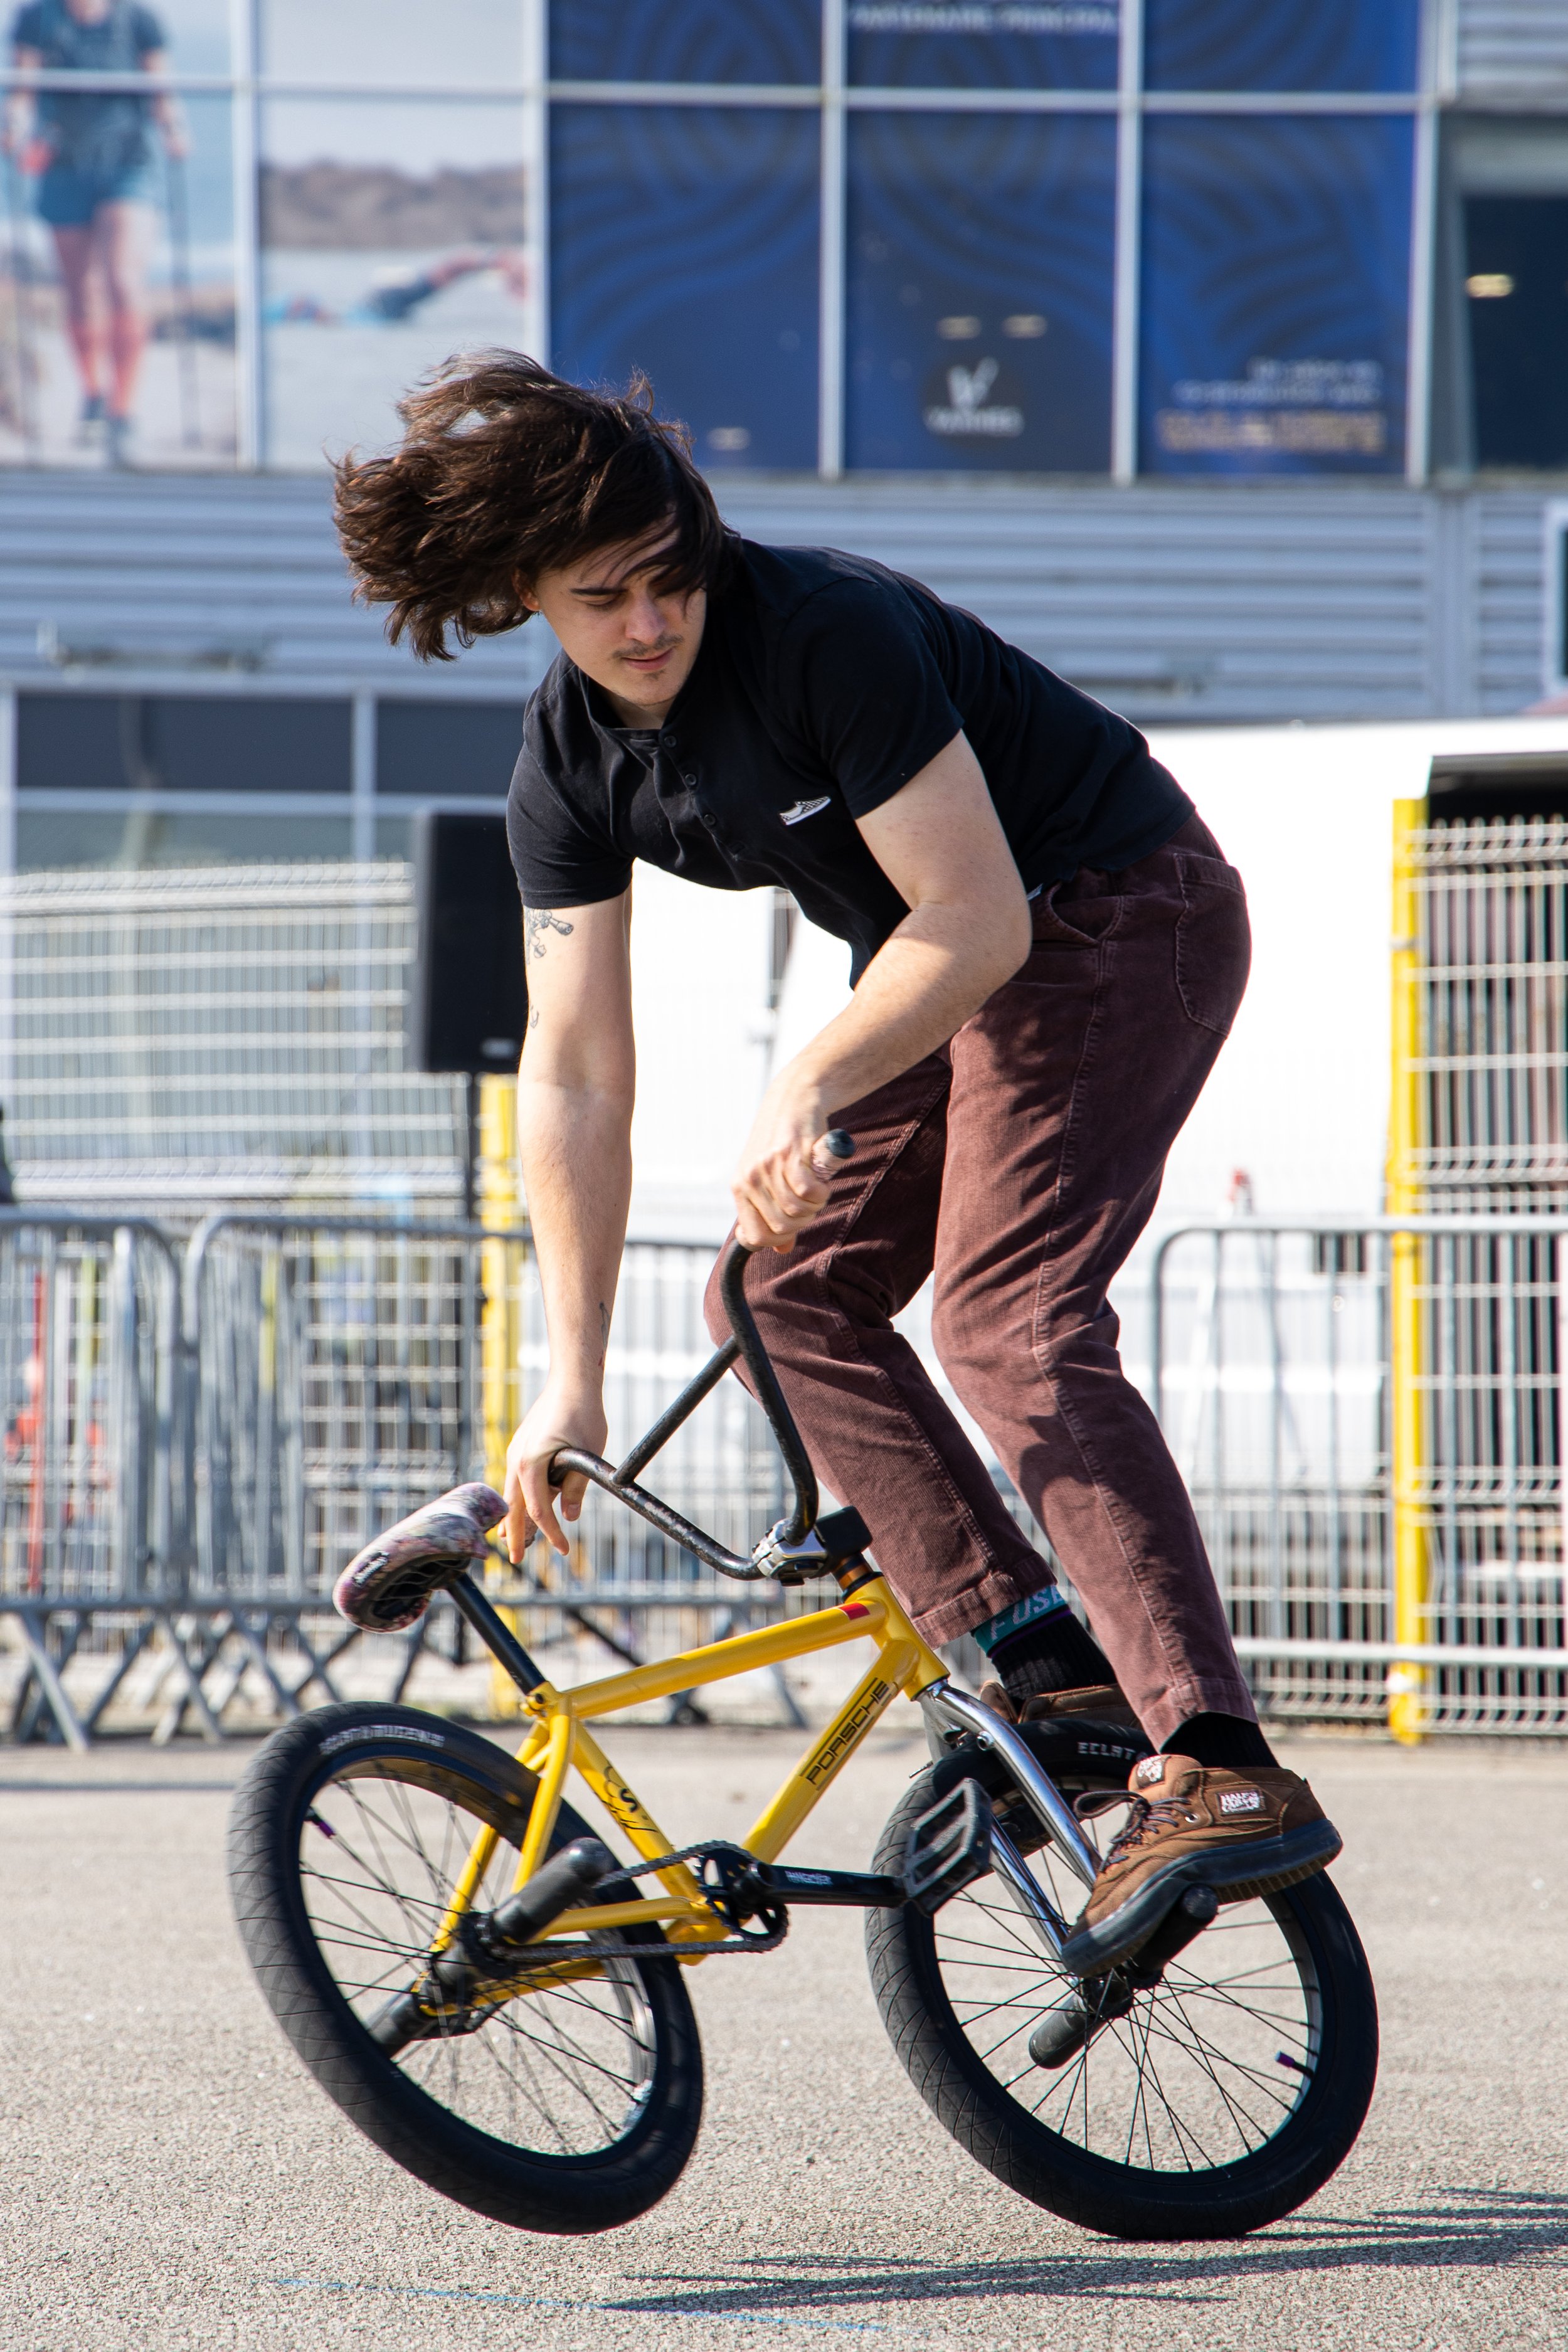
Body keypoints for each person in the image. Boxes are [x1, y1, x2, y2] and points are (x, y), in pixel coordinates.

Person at [334, 354, 1340, 1974]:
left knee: (1006, 1320)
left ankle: (1215, 1759)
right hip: (949, 963)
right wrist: (565, 1382)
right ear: (525, 594)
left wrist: (805, 1080)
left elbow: (977, 914)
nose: (653, 621)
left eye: (673, 580)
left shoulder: (824, 630)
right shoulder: (567, 768)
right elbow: (578, 1070)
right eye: (605, 599)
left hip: (1112, 906)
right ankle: (1042, 1663)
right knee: (775, 1286)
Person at [3, 0, 186, 465]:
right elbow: (24, 88)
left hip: (129, 162)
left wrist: (174, 127)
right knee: (80, 290)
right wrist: (17, 125)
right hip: (64, 164)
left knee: (124, 280)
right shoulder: (37, 17)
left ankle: (122, 412)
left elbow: (160, 87)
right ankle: (93, 395)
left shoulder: (138, 19)